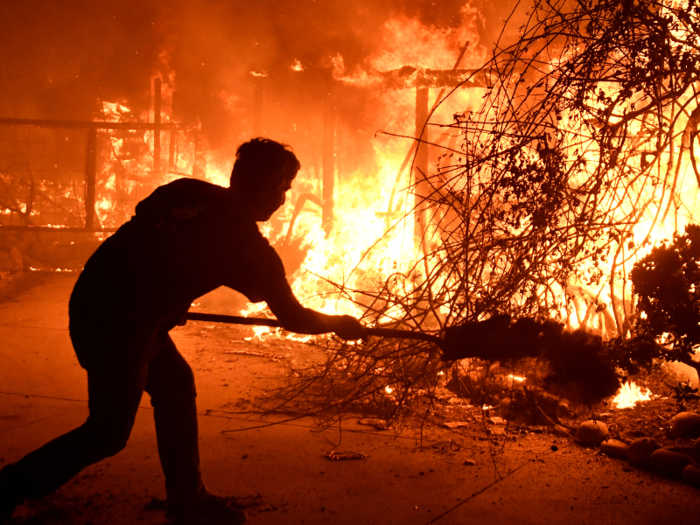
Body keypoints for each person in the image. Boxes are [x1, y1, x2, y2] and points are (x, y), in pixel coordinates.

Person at [0, 138, 364, 524]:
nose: (284, 199)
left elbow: (153, 238)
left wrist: (170, 301)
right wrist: (338, 325)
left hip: (94, 295)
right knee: (107, 432)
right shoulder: (248, 249)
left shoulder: (186, 190)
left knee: (174, 384)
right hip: (121, 327)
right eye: (283, 188)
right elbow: (293, 317)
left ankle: (187, 500)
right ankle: (8, 487)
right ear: (262, 183)